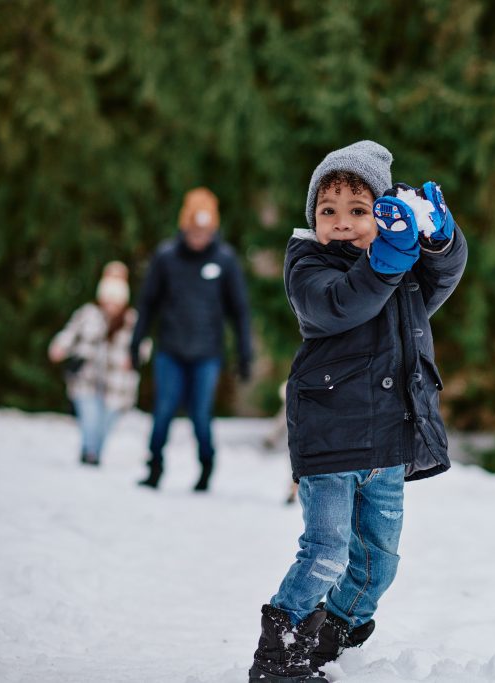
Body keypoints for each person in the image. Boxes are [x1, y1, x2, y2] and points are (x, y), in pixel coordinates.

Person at [248, 141, 467, 682]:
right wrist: (385, 260)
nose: (342, 222)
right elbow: (342, 303)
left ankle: (334, 638)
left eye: (358, 210)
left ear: (385, 214)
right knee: (326, 552)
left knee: (379, 562)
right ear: (313, 219)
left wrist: (439, 240)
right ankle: (280, 656)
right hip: (331, 442)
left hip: (387, 444)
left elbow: (442, 276)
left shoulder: (403, 273)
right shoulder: (308, 265)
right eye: (328, 210)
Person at [130, 187, 253, 492]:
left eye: (205, 232)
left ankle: (206, 467)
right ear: (184, 226)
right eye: (194, 231)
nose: (199, 237)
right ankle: (154, 466)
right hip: (170, 349)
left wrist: (244, 353)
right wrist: (136, 342)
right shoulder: (166, 257)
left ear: (213, 229)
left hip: (206, 353)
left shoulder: (224, 260)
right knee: (163, 410)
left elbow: (239, 311)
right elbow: (148, 304)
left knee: (201, 415)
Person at [49, 262, 147, 466]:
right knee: (90, 418)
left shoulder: (131, 320)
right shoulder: (88, 314)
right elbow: (69, 334)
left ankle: (93, 451)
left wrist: (134, 358)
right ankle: (90, 454)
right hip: (87, 378)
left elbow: (144, 347)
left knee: (105, 424)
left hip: (118, 384)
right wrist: (58, 347)